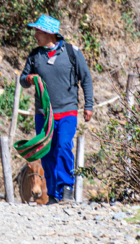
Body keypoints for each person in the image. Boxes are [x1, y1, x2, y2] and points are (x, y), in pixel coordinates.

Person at [20, 15, 93, 204]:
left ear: (49, 33)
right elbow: (23, 79)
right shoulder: (35, 55)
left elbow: (85, 79)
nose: (35, 34)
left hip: (67, 111)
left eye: (38, 31)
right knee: (47, 153)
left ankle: (67, 188)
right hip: (43, 115)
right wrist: (29, 79)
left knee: (63, 146)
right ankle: (52, 194)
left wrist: (89, 105)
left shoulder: (71, 52)